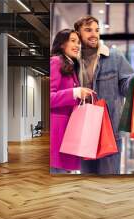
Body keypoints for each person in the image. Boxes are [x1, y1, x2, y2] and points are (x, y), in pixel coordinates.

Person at [74, 15, 134, 174]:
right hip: (83, 130)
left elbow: (125, 87)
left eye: (97, 30)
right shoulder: (73, 62)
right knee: (86, 178)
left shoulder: (114, 57)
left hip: (110, 130)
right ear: (78, 33)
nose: (94, 34)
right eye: (88, 30)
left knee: (109, 179)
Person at [50, 29, 95, 174]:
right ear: (62, 44)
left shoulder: (69, 65)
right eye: (73, 41)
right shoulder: (56, 61)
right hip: (59, 132)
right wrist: (75, 92)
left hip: (67, 131)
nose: (77, 45)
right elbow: (49, 97)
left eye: (78, 42)